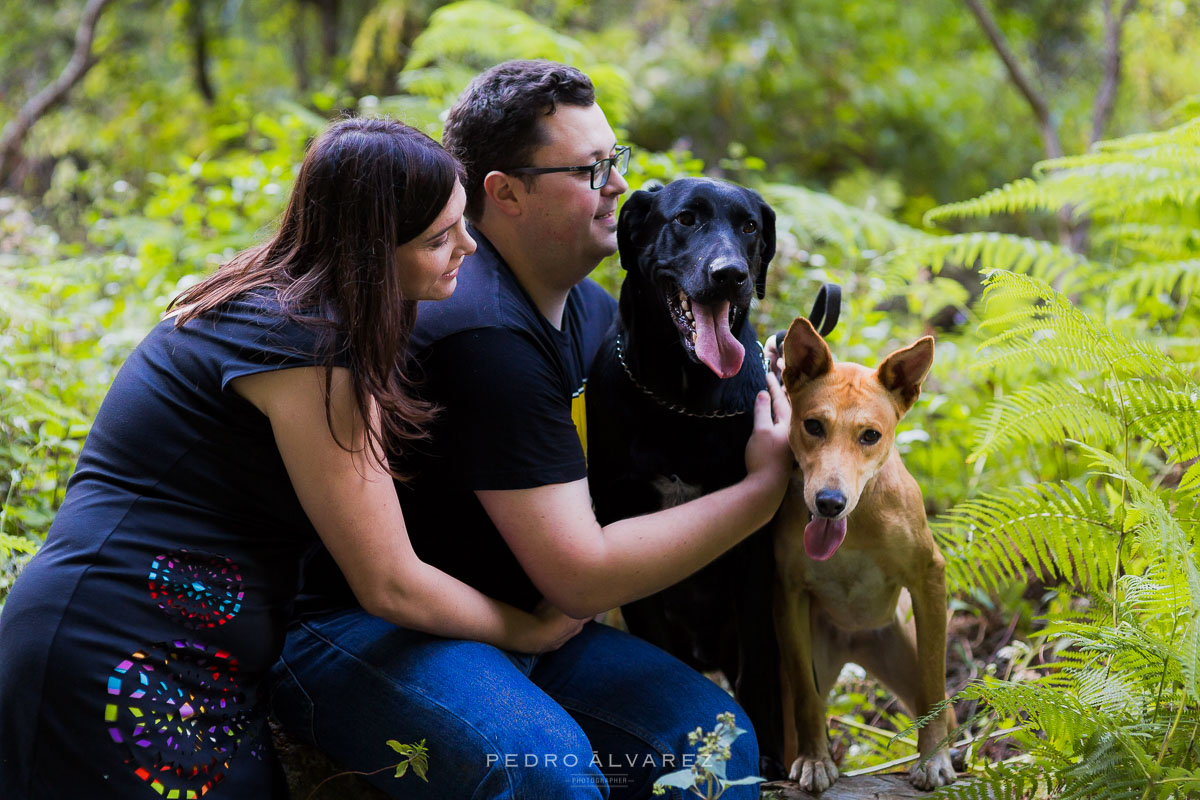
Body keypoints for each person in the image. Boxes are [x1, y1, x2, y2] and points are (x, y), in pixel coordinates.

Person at [0, 117, 585, 800]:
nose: (467, 245)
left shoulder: (287, 307)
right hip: (115, 650)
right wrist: (534, 630)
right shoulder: (305, 344)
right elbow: (389, 583)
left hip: (188, 657)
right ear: (371, 250)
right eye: (437, 237)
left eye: (461, 221)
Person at [273, 61, 794, 798]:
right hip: (367, 627)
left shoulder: (588, 309)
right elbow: (581, 575)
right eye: (590, 171)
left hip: (524, 622)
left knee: (713, 749)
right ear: (505, 192)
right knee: (550, 779)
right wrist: (764, 489)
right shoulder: (482, 329)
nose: (617, 186)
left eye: (616, 162)